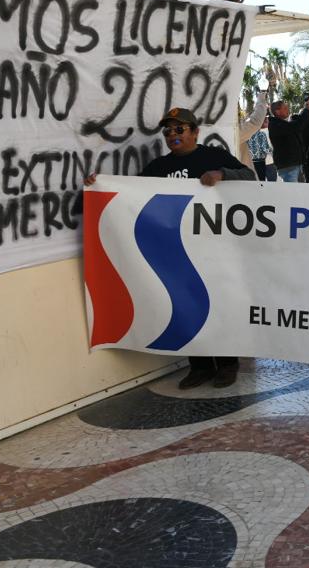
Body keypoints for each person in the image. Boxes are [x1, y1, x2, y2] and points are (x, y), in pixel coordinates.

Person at [85, 107, 256, 390]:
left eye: (179, 129)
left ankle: (227, 364)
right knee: (185, 307)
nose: (173, 135)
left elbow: (249, 177)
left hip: (213, 247)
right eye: (168, 131)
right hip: (176, 250)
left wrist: (221, 174)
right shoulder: (158, 168)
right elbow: (130, 193)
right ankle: (199, 366)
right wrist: (98, 185)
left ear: (195, 131)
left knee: (218, 304)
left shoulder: (213, 156)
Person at [268, 95, 309, 183]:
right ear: (277, 111)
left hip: (297, 166)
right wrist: (306, 109)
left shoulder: (284, 124)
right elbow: (297, 126)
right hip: (289, 168)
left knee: (301, 194)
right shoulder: (275, 125)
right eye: (285, 108)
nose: (287, 109)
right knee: (293, 195)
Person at [247, 117, 276, 181]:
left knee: (257, 183)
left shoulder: (247, 135)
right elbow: (265, 148)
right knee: (265, 182)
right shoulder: (261, 134)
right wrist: (274, 151)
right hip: (261, 161)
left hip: (250, 162)